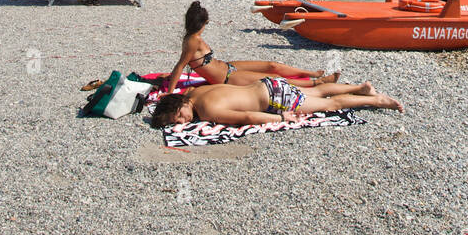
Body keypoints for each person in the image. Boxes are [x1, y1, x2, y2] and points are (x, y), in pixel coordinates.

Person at [163, 3, 333, 93]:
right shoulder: (193, 40)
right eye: (206, 23)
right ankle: (316, 82)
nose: (206, 26)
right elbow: (180, 66)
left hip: (227, 66)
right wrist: (170, 92)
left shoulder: (194, 37)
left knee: (272, 65)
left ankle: (308, 73)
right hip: (226, 78)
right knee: (272, 77)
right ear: (200, 23)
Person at [150, 78, 404, 128]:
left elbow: (248, 117)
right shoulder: (195, 92)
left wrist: (281, 118)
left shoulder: (207, 111)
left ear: (179, 105)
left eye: (179, 117)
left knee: (330, 105)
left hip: (276, 100)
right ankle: (360, 87)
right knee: (313, 90)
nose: (183, 122)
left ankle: (378, 100)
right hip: (268, 84)